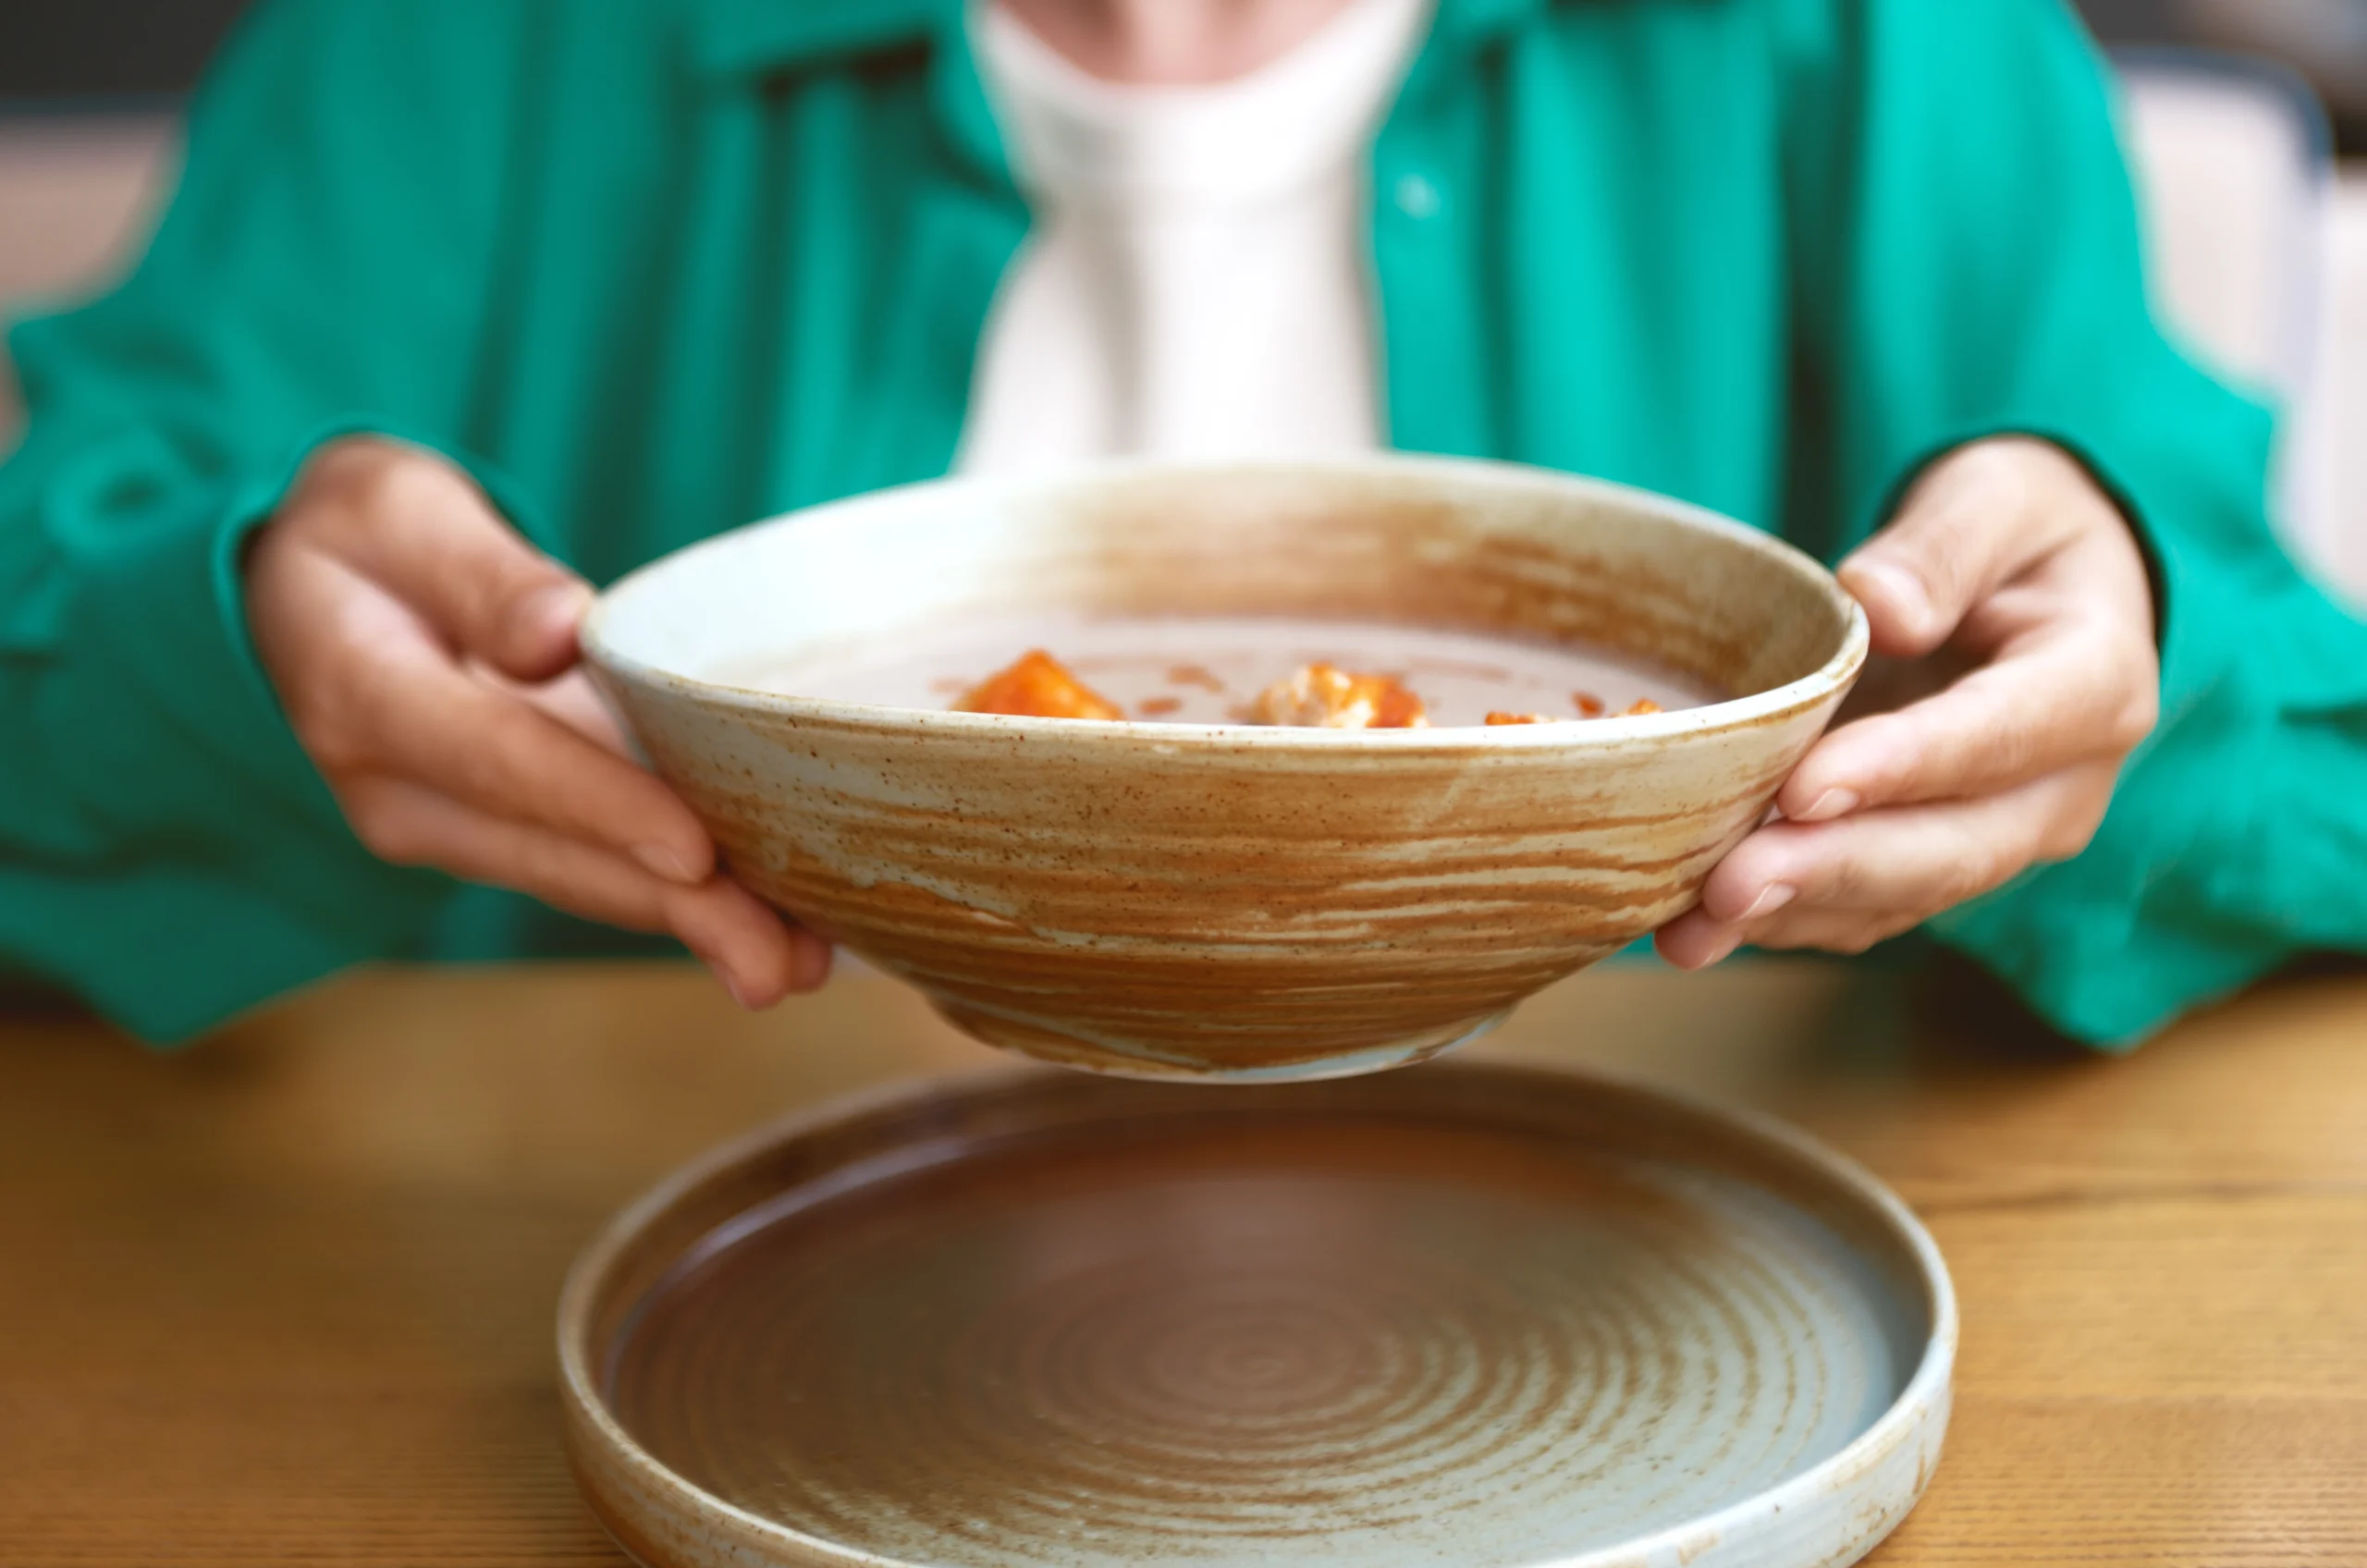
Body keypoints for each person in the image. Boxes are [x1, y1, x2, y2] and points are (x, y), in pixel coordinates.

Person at [2, 0, 2362, 1047]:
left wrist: (2123, 665)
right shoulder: (468, 42)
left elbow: (2307, 763)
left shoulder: (1861, 35)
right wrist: (229, 647)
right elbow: (56, 645)